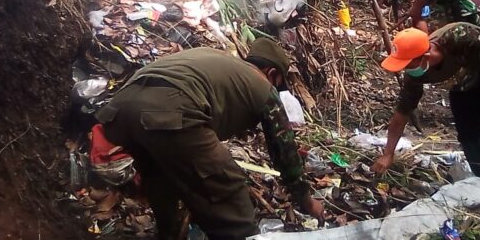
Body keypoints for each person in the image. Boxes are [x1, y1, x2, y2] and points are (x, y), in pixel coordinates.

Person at [96, 41, 323, 240]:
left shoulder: (214, 58)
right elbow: (284, 150)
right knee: (229, 194)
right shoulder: (261, 85)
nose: (276, 88)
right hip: (169, 112)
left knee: (159, 177)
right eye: (279, 83)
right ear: (272, 73)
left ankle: (169, 233)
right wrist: (306, 201)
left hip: (119, 110)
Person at [371, 25, 480, 197]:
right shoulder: (415, 77)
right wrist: (388, 154)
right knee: (468, 135)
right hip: (460, 84)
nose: (406, 69)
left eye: (407, 64)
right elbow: (401, 114)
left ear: (425, 55)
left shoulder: (458, 36)